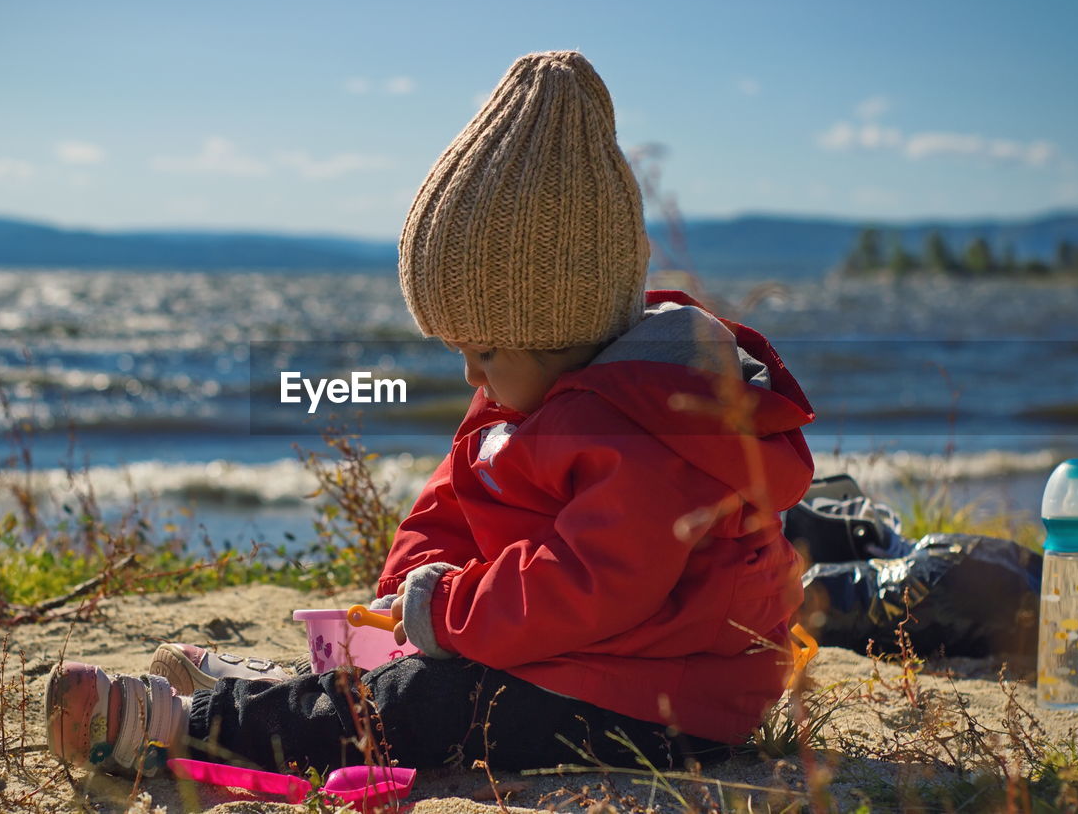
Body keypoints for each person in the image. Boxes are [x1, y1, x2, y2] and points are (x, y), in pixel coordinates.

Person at [44, 50, 815, 778]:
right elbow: (451, 500)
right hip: (589, 655)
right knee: (426, 665)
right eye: (457, 349)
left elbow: (586, 584)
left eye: (484, 350)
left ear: (564, 326)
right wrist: (408, 586)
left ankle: (201, 725)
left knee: (427, 703)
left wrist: (442, 609)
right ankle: (285, 691)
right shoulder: (533, 383)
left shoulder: (648, 429)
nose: (470, 373)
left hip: (668, 698)